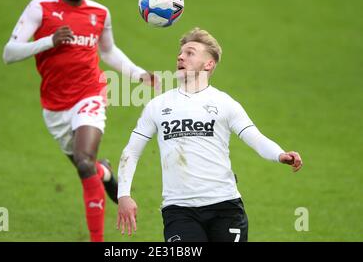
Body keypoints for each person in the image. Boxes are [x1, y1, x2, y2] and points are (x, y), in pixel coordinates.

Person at [2, 0, 157, 242]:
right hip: (54, 106)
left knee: (84, 162)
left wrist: (139, 74)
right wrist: (49, 41)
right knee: (90, 169)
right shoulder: (40, 7)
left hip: (90, 95)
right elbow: (9, 53)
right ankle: (106, 173)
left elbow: (108, 51)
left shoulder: (100, 13)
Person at [116, 27, 303, 242]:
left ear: (209, 64)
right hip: (179, 210)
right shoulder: (157, 106)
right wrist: (123, 194)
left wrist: (280, 155)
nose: (180, 56)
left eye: (190, 52)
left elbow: (255, 137)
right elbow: (132, 150)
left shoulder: (225, 103)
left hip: (225, 207)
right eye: (180, 52)